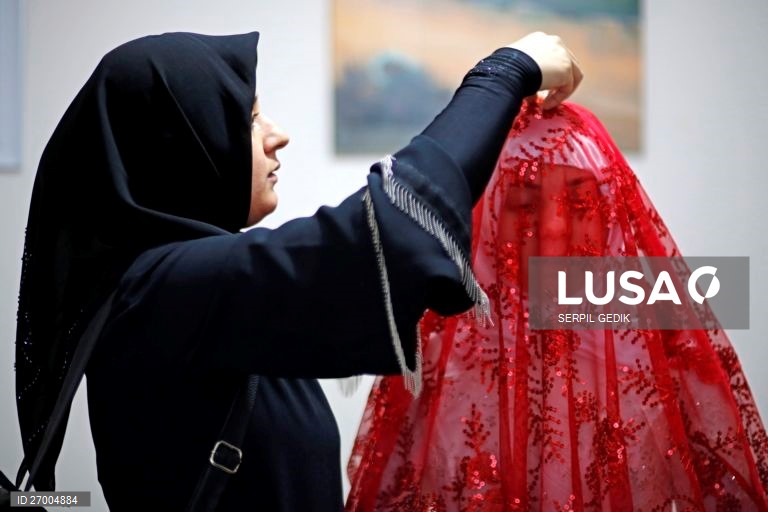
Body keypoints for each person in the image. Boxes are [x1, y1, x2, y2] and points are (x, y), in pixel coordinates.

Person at [14, 30, 582, 511]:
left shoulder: (187, 288)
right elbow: (388, 233)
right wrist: (504, 73)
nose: (276, 135)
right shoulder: (164, 291)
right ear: (178, 143)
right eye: (248, 116)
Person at [346, 99, 768, 511]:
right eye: (526, 201)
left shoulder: (645, 346)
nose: (551, 226)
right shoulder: (446, 352)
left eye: (576, 200)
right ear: (491, 213)